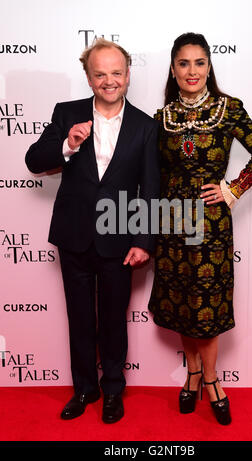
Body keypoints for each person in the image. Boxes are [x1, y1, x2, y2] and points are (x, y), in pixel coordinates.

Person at [25, 38, 160, 423]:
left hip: (120, 240)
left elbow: (150, 189)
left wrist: (143, 241)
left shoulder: (146, 127)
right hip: (74, 235)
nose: (109, 80)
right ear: (88, 77)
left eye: (116, 72)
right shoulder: (66, 114)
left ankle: (114, 389)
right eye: (100, 74)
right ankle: (85, 388)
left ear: (128, 75)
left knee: (114, 320)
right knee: (80, 317)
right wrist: (67, 145)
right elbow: (34, 161)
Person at [148, 32, 252, 425]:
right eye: (184, 63)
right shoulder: (161, 116)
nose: (192, 71)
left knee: (208, 305)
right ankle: (193, 374)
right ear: (173, 68)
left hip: (211, 223)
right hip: (172, 221)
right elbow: (154, 172)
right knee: (184, 302)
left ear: (208, 67)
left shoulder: (229, 108)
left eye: (199, 63)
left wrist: (232, 189)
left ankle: (214, 381)